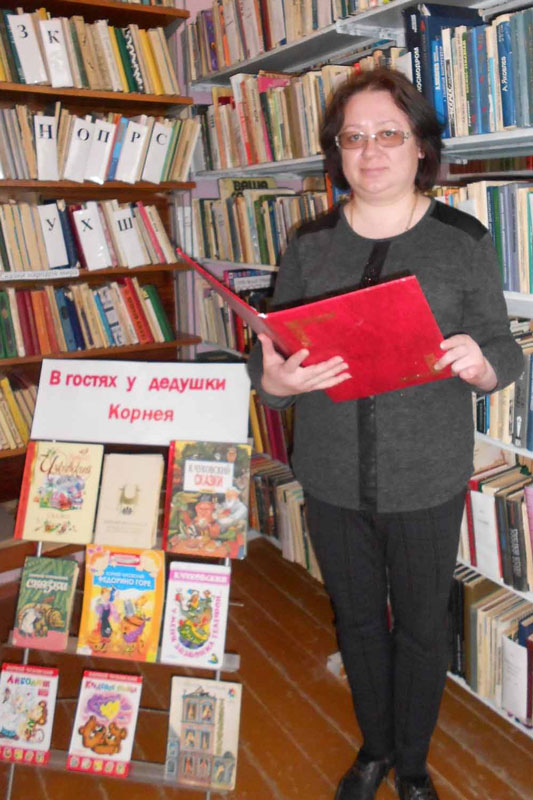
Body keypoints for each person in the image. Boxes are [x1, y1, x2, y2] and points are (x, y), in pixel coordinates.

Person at [247, 68, 523, 800]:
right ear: (336, 152)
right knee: (359, 621)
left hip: (425, 476)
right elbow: (270, 354)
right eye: (353, 137)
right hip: (331, 472)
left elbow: (504, 347)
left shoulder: (462, 240)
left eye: (389, 134)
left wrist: (482, 365)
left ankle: (412, 764)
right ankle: (374, 748)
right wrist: (277, 382)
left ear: (421, 147)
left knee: (423, 628)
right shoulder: (310, 244)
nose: (370, 151)